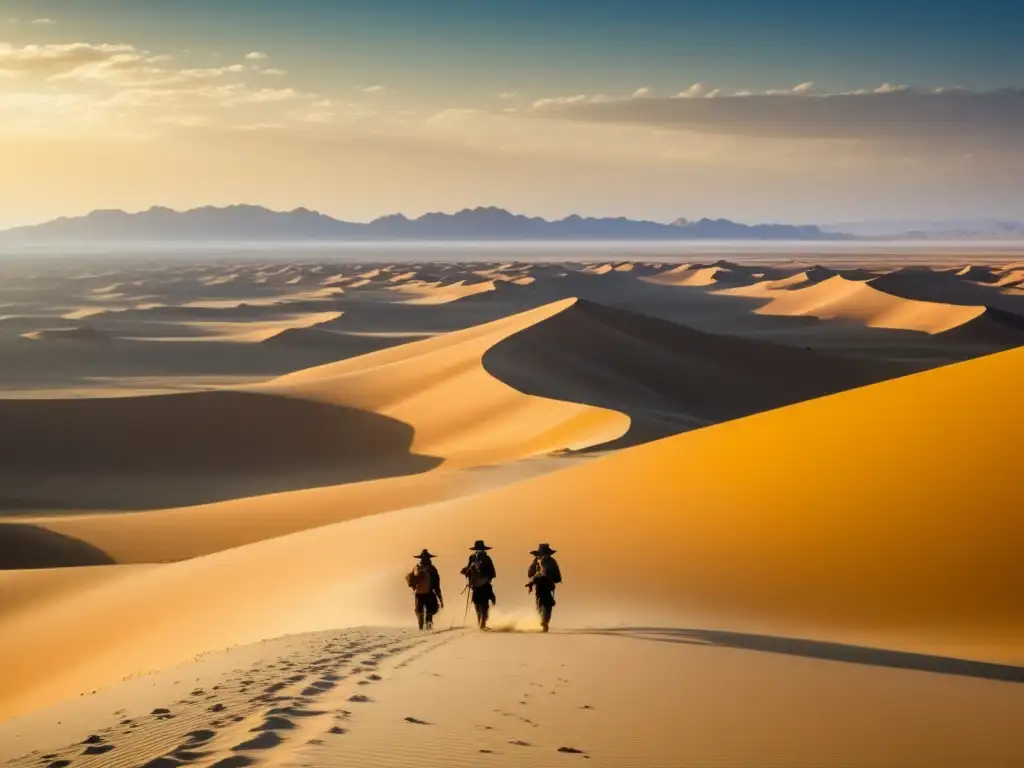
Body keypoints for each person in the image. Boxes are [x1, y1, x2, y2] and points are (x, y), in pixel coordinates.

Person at [460, 540, 497, 630]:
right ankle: (480, 623)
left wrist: (485, 576)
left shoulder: (486, 559)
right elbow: (468, 569)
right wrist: (467, 573)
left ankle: (482, 624)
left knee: (483, 605)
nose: (480, 551)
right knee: (477, 605)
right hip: (476, 585)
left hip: (483, 584)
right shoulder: (472, 558)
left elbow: (492, 572)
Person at [526, 543, 562, 632]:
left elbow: (556, 575)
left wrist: (551, 580)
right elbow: (530, 573)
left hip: (548, 586)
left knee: (548, 604)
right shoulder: (536, 561)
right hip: (539, 586)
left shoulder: (552, 561)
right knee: (540, 603)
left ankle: (545, 621)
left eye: (546, 554)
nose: (544, 556)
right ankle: (542, 621)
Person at [406, 549, 443, 630]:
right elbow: (436, 584)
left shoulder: (416, 568)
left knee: (420, 612)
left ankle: (421, 629)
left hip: (418, 594)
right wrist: (440, 598)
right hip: (428, 593)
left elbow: (411, 580)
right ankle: (428, 628)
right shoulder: (431, 569)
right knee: (430, 611)